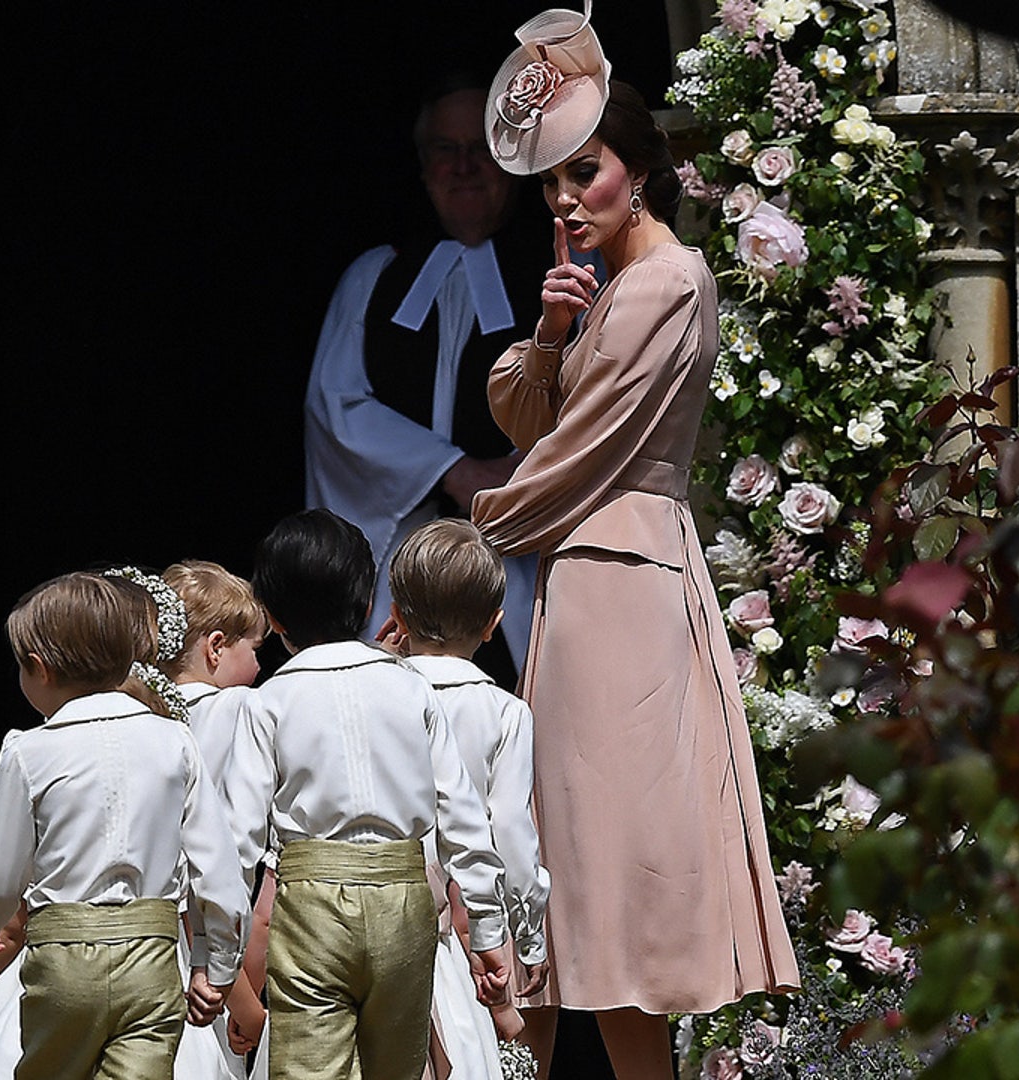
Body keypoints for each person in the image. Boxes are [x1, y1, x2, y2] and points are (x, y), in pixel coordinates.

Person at [468, 7, 799, 1077]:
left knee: (614, 870)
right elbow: (527, 421)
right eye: (553, 182)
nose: (566, 200)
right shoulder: (612, 285)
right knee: (581, 867)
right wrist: (553, 329)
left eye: (587, 172)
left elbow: (577, 455)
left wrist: (471, 544)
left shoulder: (666, 280)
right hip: (595, 581)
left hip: (621, 577)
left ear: (642, 170)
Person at [220, 509, 513, 1080]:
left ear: (272, 617)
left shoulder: (268, 702)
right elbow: (461, 816)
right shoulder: (411, 687)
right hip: (404, 904)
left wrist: (218, 957)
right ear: (370, 601)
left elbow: (238, 840)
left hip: (313, 907)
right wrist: (488, 928)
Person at [304, 73, 550, 684]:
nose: (464, 166)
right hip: (401, 564)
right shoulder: (376, 277)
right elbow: (336, 408)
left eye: (482, 149)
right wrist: (453, 471)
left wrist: (516, 477)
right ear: (423, 166)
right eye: (446, 149)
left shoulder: (557, 276)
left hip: (519, 562)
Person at [0, 571, 250, 1080]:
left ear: (39, 669)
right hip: (152, 959)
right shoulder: (175, 742)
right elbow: (217, 868)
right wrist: (217, 965)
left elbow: (1, 874)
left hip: (64, 963)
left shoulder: (29, 751)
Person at [384, 518, 552, 1070]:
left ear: (399, 615)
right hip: (451, 938)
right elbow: (511, 833)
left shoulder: (375, 693)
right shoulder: (504, 712)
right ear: (493, 625)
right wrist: (527, 938)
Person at [158, 559, 273, 1071]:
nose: (259, 667)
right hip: (210, 954)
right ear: (217, 646)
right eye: (255, 650)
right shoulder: (240, 711)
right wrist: (242, 994)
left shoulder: (139, 716)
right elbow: (224, 857)